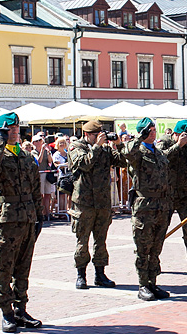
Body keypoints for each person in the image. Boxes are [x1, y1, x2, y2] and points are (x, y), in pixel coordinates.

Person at [0, 112, 45, 333]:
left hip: (28, 216)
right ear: (1, 131)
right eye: (9, 128)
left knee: (23, 266)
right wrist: (0, 143)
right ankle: (6, 312)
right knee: (4, 266)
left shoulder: (27, 157)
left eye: (16, 127)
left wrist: (39, 216)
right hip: (8, 218)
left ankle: (21, 309)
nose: (14, 131)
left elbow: (36, 190)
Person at [67, 119, 125, 289]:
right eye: (95, 134)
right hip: (84, 203)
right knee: (82, 241)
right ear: (87, 134)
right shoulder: (76, 147)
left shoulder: (105, 148)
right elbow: (85, 164)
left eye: (101, 134)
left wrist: (118, 144)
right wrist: (97, 146)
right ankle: (81, 275)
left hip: (102, 203)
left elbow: (123, 161)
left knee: (101, 241)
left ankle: (100, 274)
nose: (99, 137)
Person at [122, 117, 172, 301]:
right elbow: (126, 153)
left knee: (156, 248)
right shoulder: (138, 152)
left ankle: (152, 282)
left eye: (153, 130)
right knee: (143, 248)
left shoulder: (158, 153)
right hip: (144, 207)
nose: (153, 133)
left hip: (161, 206)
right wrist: (138, 138)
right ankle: (143, 284)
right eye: (149, 130)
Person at [158, 120, 187, 276]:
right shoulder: (165, 141)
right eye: (182, 134)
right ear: (175, 134)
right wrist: (178, 145)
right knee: (159, 230)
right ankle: (153, 263)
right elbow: (160, 159)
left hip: (184, 195)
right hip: (166, 195)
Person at [33, 134, 56, 221]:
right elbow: (38, 161)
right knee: (41, 195)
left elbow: (50, 161)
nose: (39, 142)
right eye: (37, 141)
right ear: (34, 143)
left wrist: (48, 152)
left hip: (47, 174)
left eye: (40, 140)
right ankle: (41, 213)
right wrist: (42, 151)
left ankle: (48, 213)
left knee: (48, 194)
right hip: (39, 174)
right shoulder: (33, 152)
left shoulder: (46, 151)